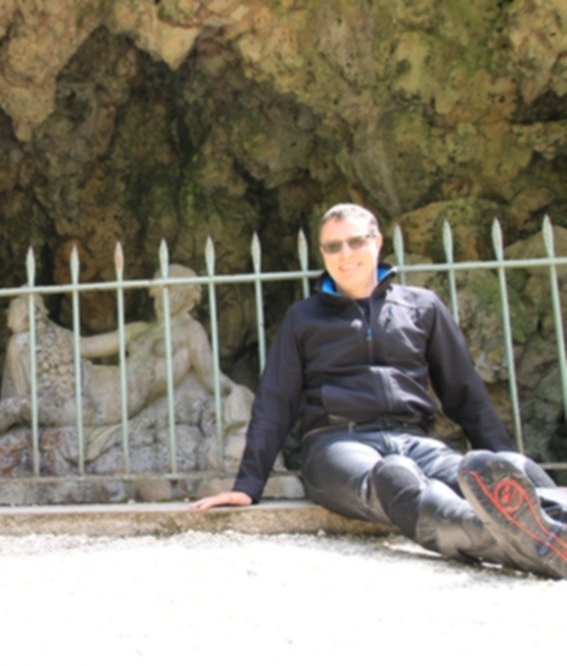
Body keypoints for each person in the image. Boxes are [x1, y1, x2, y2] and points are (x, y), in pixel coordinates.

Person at [192, 203, 567, 578]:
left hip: (414, 440)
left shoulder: (422, 307)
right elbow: (276, 402)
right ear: (322, 253)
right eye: (333, 246)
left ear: (378, 242)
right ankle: (508, 542)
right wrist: (248, 485)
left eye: (355, 242)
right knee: (396, 478)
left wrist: (502, 458)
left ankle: (553, 527)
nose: (345, 254)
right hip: (335, 445)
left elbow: (464, 393)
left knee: (506, 471)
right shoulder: (303, 318)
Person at [0, 265, 243, 443]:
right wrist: (40, 318)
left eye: (165, 293)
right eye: (156, 296)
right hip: (93, 379)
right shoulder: (140, 329)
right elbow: (82, 346)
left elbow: (211, 377)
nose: (158, 303)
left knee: (16, 407)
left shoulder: (191, 332)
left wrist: (237, 394)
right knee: (22, 342)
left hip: (105, 405)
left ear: (182, 295)